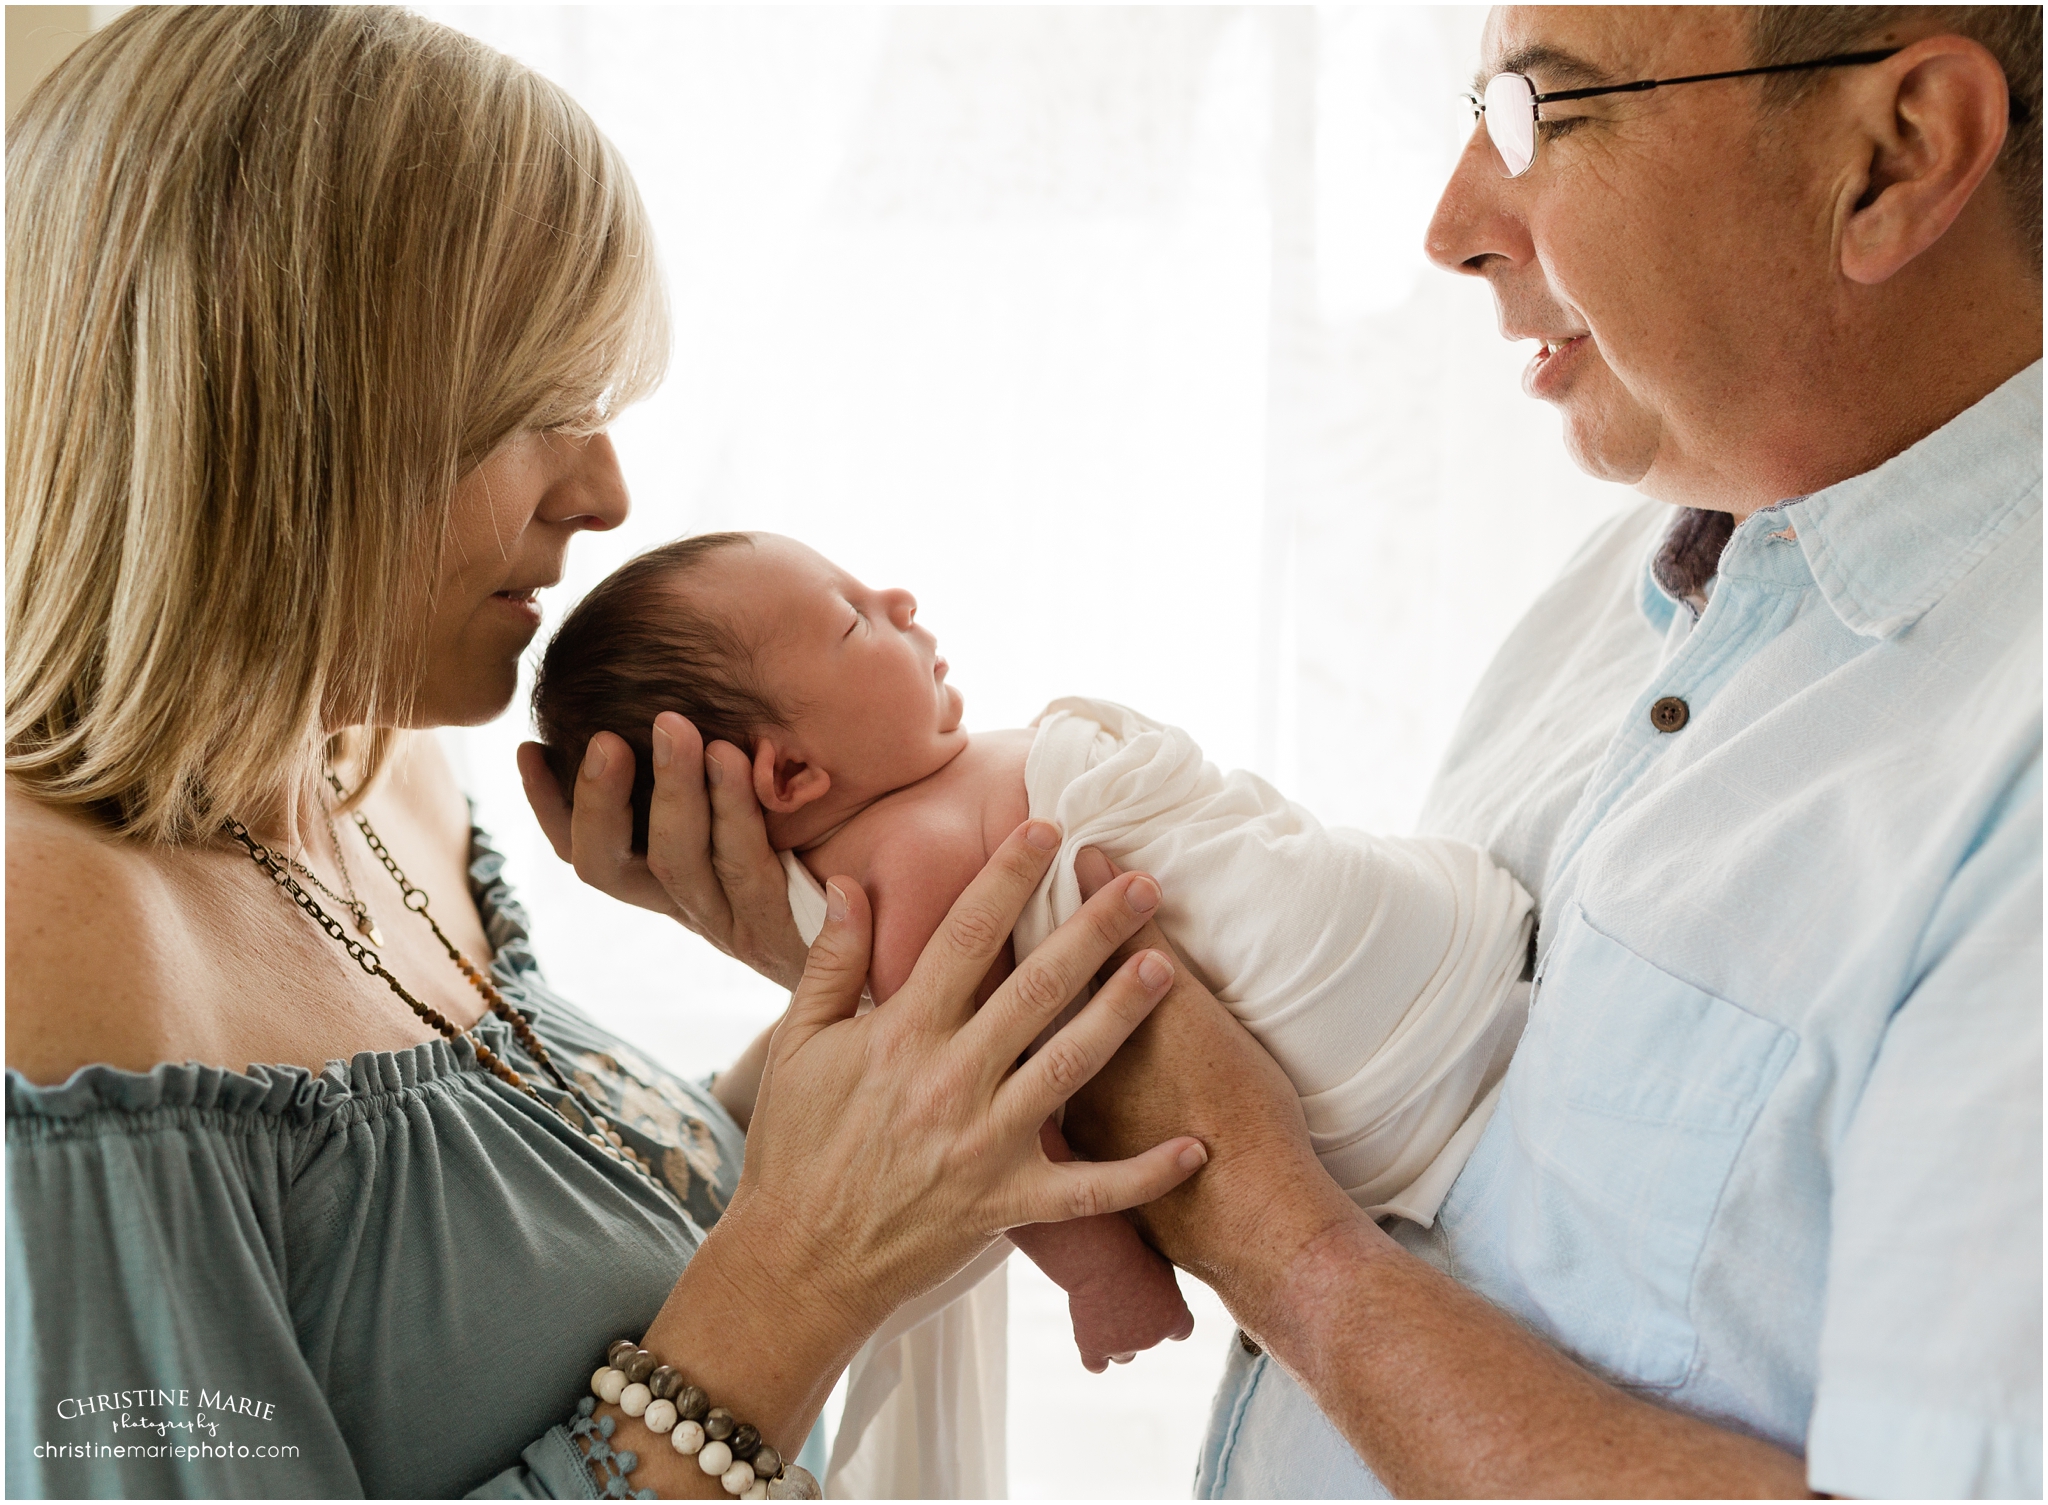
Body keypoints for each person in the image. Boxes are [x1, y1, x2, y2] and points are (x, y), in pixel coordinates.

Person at [529, 5, 2042, 1497]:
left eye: (1543, 111)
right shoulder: (1619, 601)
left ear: (1899, 155)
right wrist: (828, 955)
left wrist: (1271, 1234)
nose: (1452, 224)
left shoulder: (2009, 790)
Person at [3, 9, 1208, 1499]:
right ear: (279, 414)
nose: (609, 492)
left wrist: (836, 963)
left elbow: (493, 1282)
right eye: (541, 409)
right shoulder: (56, 955)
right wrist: (800, 1284)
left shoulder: (380, 775)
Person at [524, 529, 1532, 1371]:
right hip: (1391, 1048)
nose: (897, 596)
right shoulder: (903, 863)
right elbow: (983, 1121)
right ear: (788, 770)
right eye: (849, 618)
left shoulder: (934, 798)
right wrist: (1100, 1268)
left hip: (1424, 974)